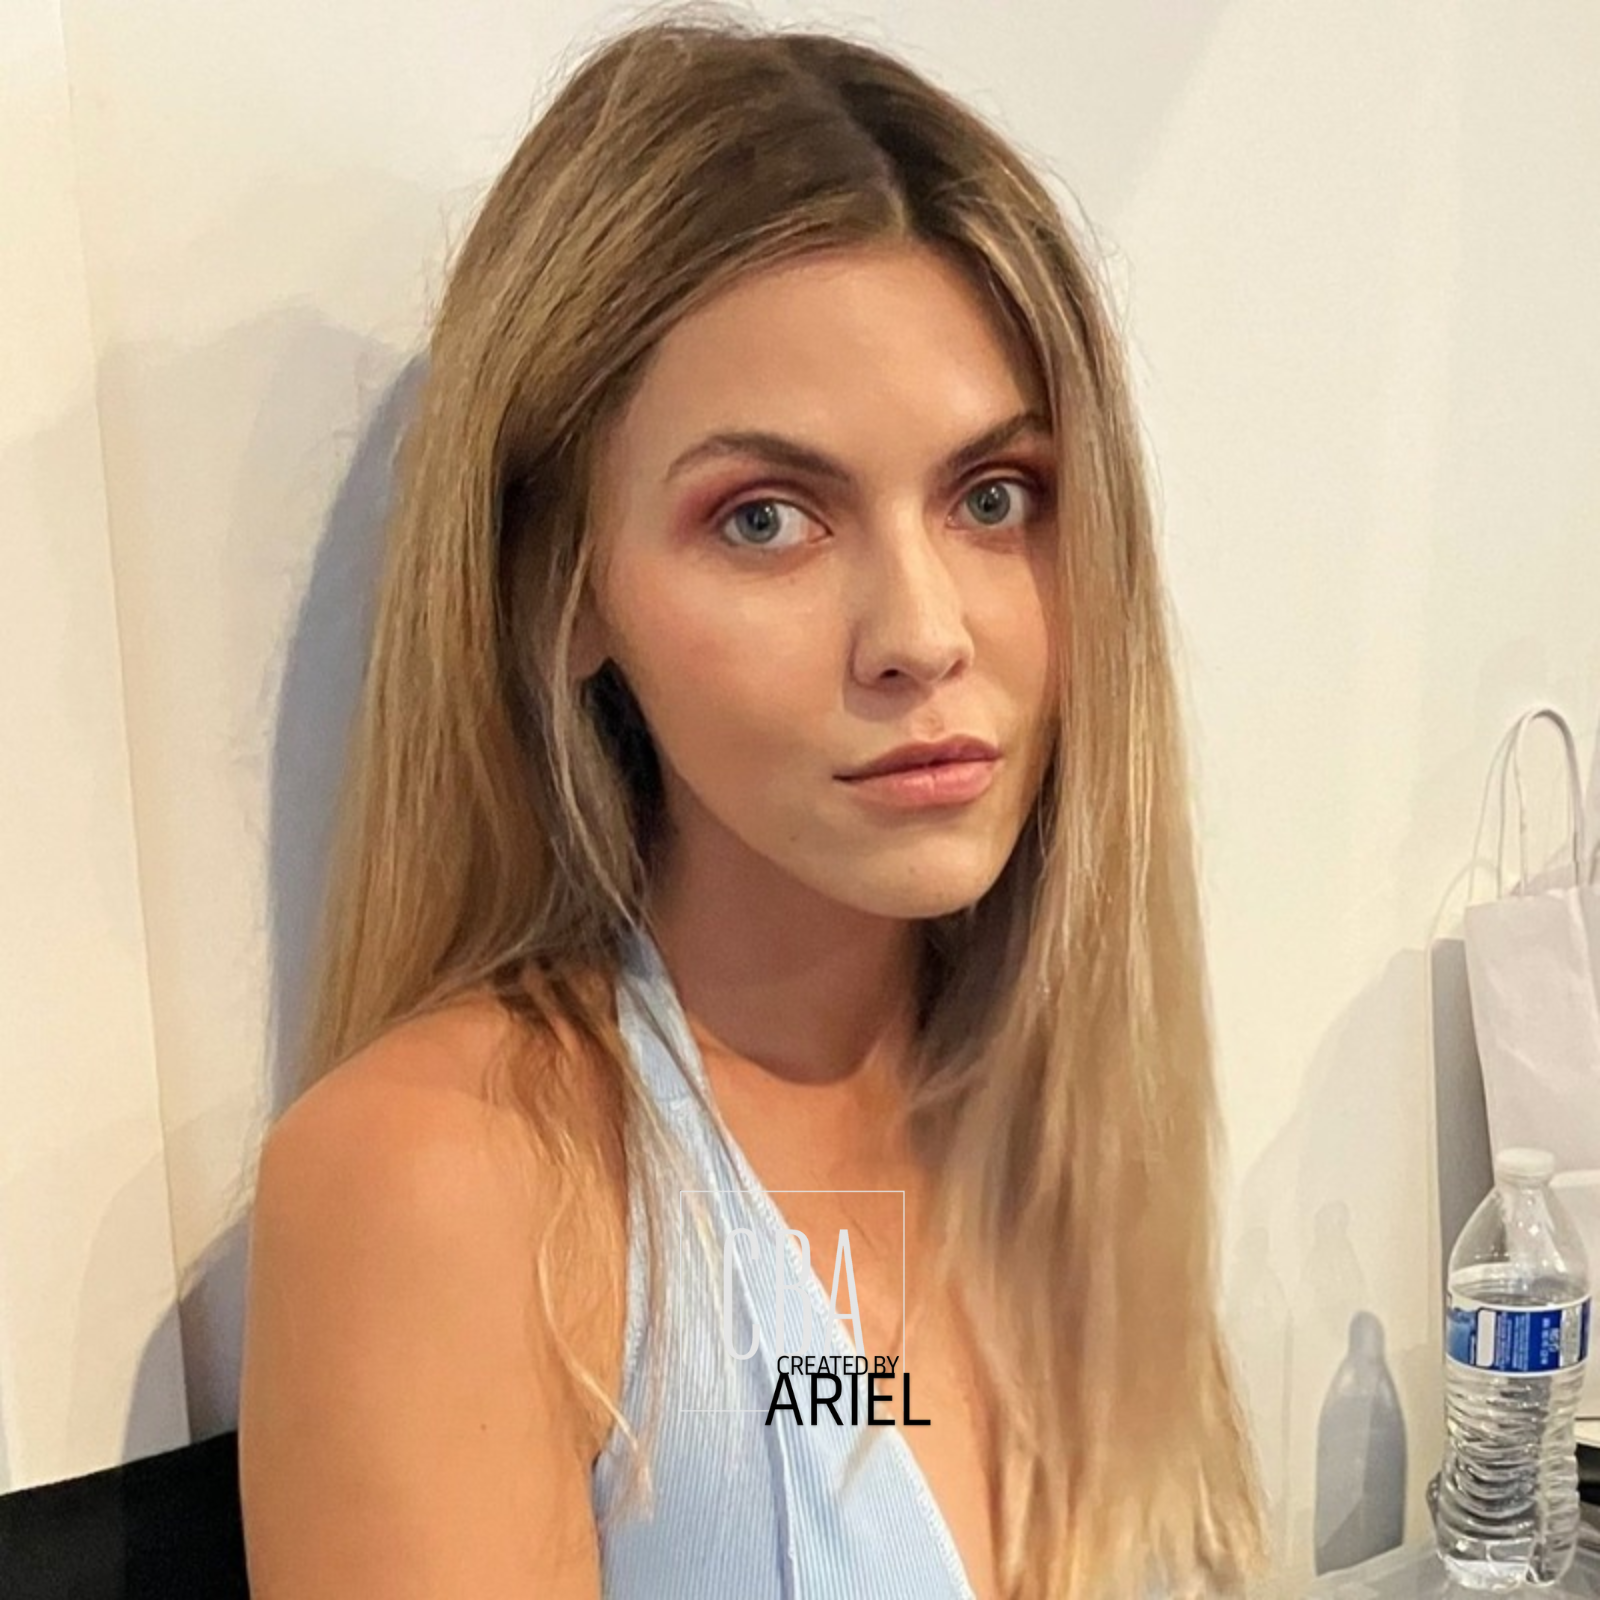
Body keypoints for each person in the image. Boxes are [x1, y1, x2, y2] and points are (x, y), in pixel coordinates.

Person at [237, 7, 1266, 1598]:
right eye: (767, 519)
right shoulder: (449, 1185)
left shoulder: (1062, 1127)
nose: (922, 632)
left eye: (994, 497)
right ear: (564, 586)